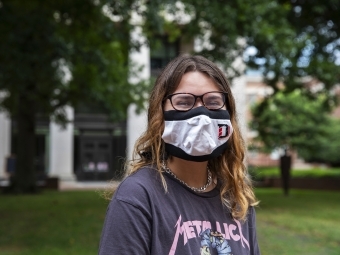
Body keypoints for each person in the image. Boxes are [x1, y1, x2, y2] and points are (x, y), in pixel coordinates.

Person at [99, 54, 260, 255]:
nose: (202, 115)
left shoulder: (236, 198)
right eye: (184, 102)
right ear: (160, 115)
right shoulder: (138, 196)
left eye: (213, 101)